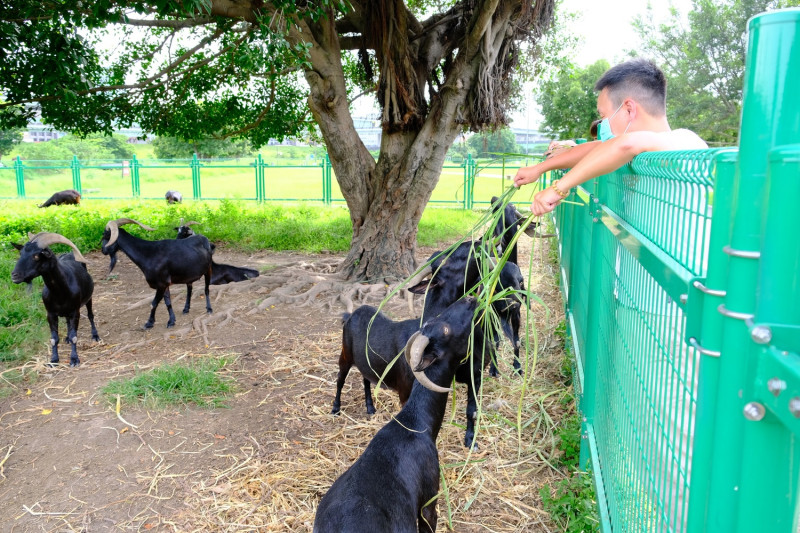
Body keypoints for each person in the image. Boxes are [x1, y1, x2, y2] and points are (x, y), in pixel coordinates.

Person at [514, 58, 707, 214]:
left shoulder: (685, 142)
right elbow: (596, 148)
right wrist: (539, 168)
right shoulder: (639, 149)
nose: (602, 124)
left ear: (629, 109)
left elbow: (624, 144)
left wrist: (558, 188)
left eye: (603, 116)